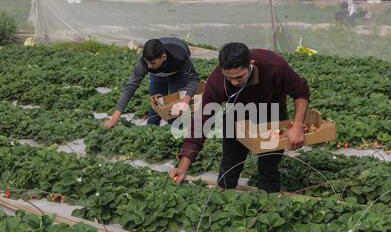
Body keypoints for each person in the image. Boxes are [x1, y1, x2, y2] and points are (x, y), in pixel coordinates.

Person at [169, 43, 310, 193]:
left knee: (269, 166)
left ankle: (269, 202)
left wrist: (297, 126)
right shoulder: (217, 81)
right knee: (230, 163)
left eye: (239, 77)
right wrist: (183, 167)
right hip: (235, 114)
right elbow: (201, 121)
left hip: (271, 112)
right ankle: (223, 198)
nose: (234, 82)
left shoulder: (275, 66)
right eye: (228, 78)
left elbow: (301, 92)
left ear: (251, 64)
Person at [104, 37, 201, 128]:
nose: (149, 67)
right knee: (156, 106)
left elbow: (194, 79)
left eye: (152, 63)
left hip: (178, 73)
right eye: (147, 62)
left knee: (175, 110)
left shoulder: (179, 56)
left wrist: (185, 101)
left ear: (163, 57)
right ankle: (151, 131)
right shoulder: (145, 63)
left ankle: (177, 135)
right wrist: (115, 117)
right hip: (157, 76)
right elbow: (130, 87)